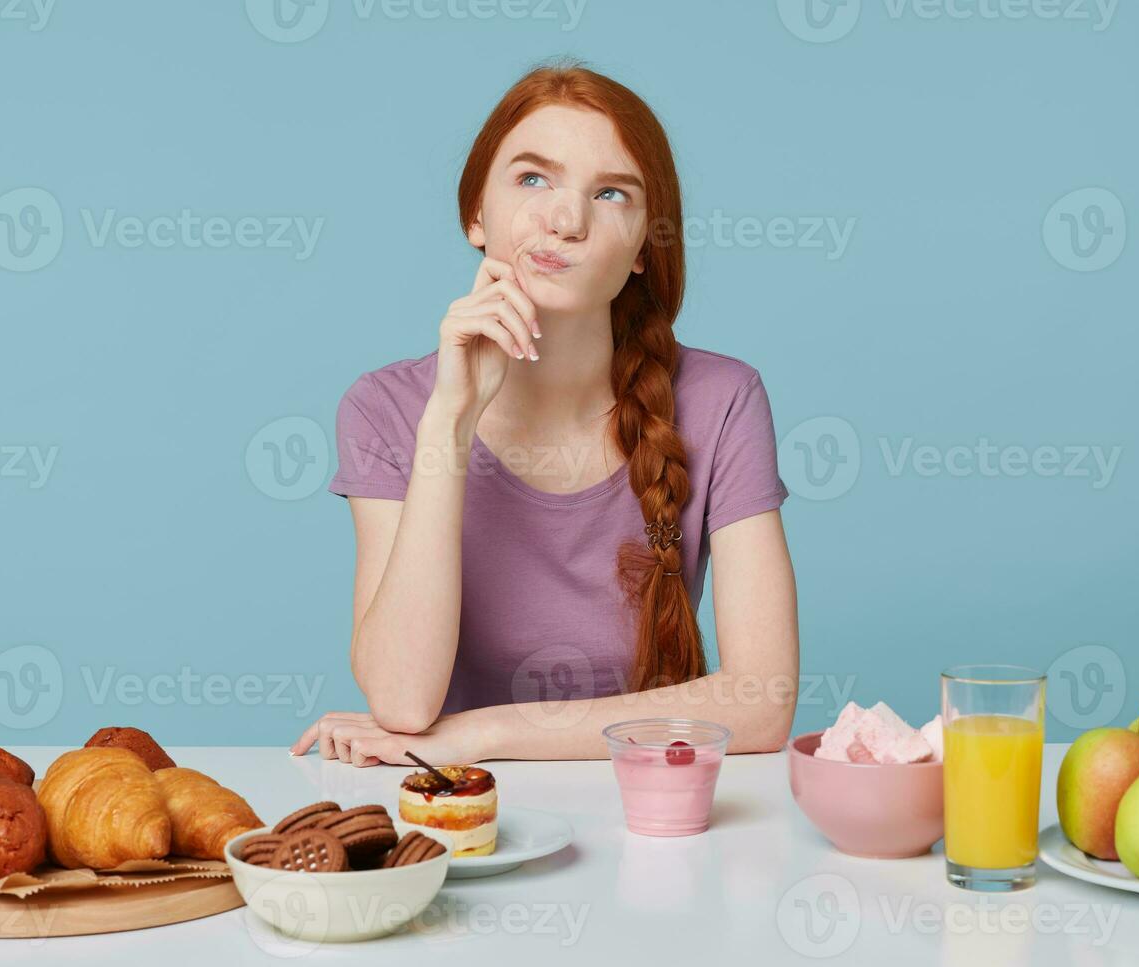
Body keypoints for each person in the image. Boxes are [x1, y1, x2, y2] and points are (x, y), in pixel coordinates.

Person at [291, 61, 799, 765]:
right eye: (533, 179)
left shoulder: (722, 399)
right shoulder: (386, 408)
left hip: (654, 805)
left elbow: (762, 703)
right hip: (465, 815)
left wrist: (484, 733)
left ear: (645, 249)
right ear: (476, 213)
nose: (566, 221)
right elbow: (403, 702)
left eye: (612, 193)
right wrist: (449, 425)